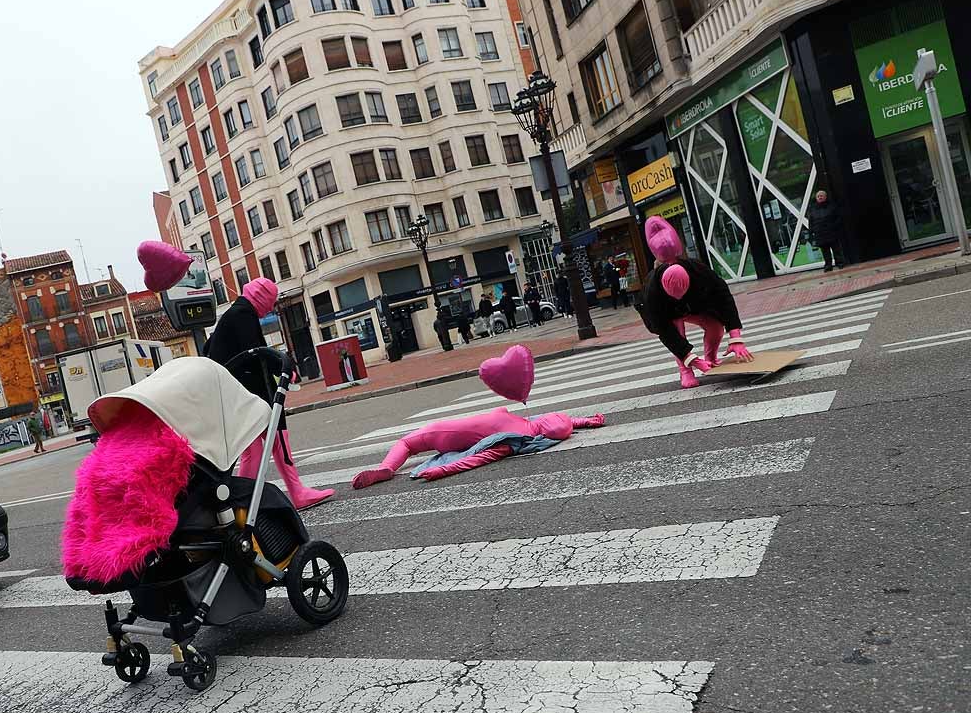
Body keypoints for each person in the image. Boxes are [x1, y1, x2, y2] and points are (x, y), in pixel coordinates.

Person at [202, 277, 334, 509]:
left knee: (252, 450)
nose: (271, 307)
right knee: (278, 442)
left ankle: (245, 501)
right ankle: (294, 493)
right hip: (252, 395)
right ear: (261, 298)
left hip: (234, 396)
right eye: (270, 301)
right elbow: (257, 353)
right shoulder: (243, 316)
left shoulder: (233, 315)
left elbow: (209, 350)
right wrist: (284, 368)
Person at [352, 407, 606, 488]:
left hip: (448, 432)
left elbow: (478, 459)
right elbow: (563, 423)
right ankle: (386, 467)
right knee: (410, 444)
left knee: (406, 442)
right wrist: (584, 421)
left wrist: (442, 471)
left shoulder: (515, 434)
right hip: (451, 433)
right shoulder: (529, 428)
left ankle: (386, 468)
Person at [642, 217, 754, 389]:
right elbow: (665, 330)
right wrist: (691, 359)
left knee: (716, 327)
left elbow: (723, 297)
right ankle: (685, 371)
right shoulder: (652, 290)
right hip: (670, 314)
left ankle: (710, 359)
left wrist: (735, 337)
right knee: (677, 330)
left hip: (694, 306)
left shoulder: (698, 270)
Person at [807, 190, 845, 271]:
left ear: (825, 197)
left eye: (821, 196)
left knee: (836, 249)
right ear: (816, 198)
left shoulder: (832, 206)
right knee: (825, 251)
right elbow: (811, 222)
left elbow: (838, 218)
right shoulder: (813, 209)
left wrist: (834, 226)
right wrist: (812, 232)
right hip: (820, 234)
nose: (820, 197)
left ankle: (840, 263)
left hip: (832, 232)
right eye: (818, 196)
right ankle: (828, 265)